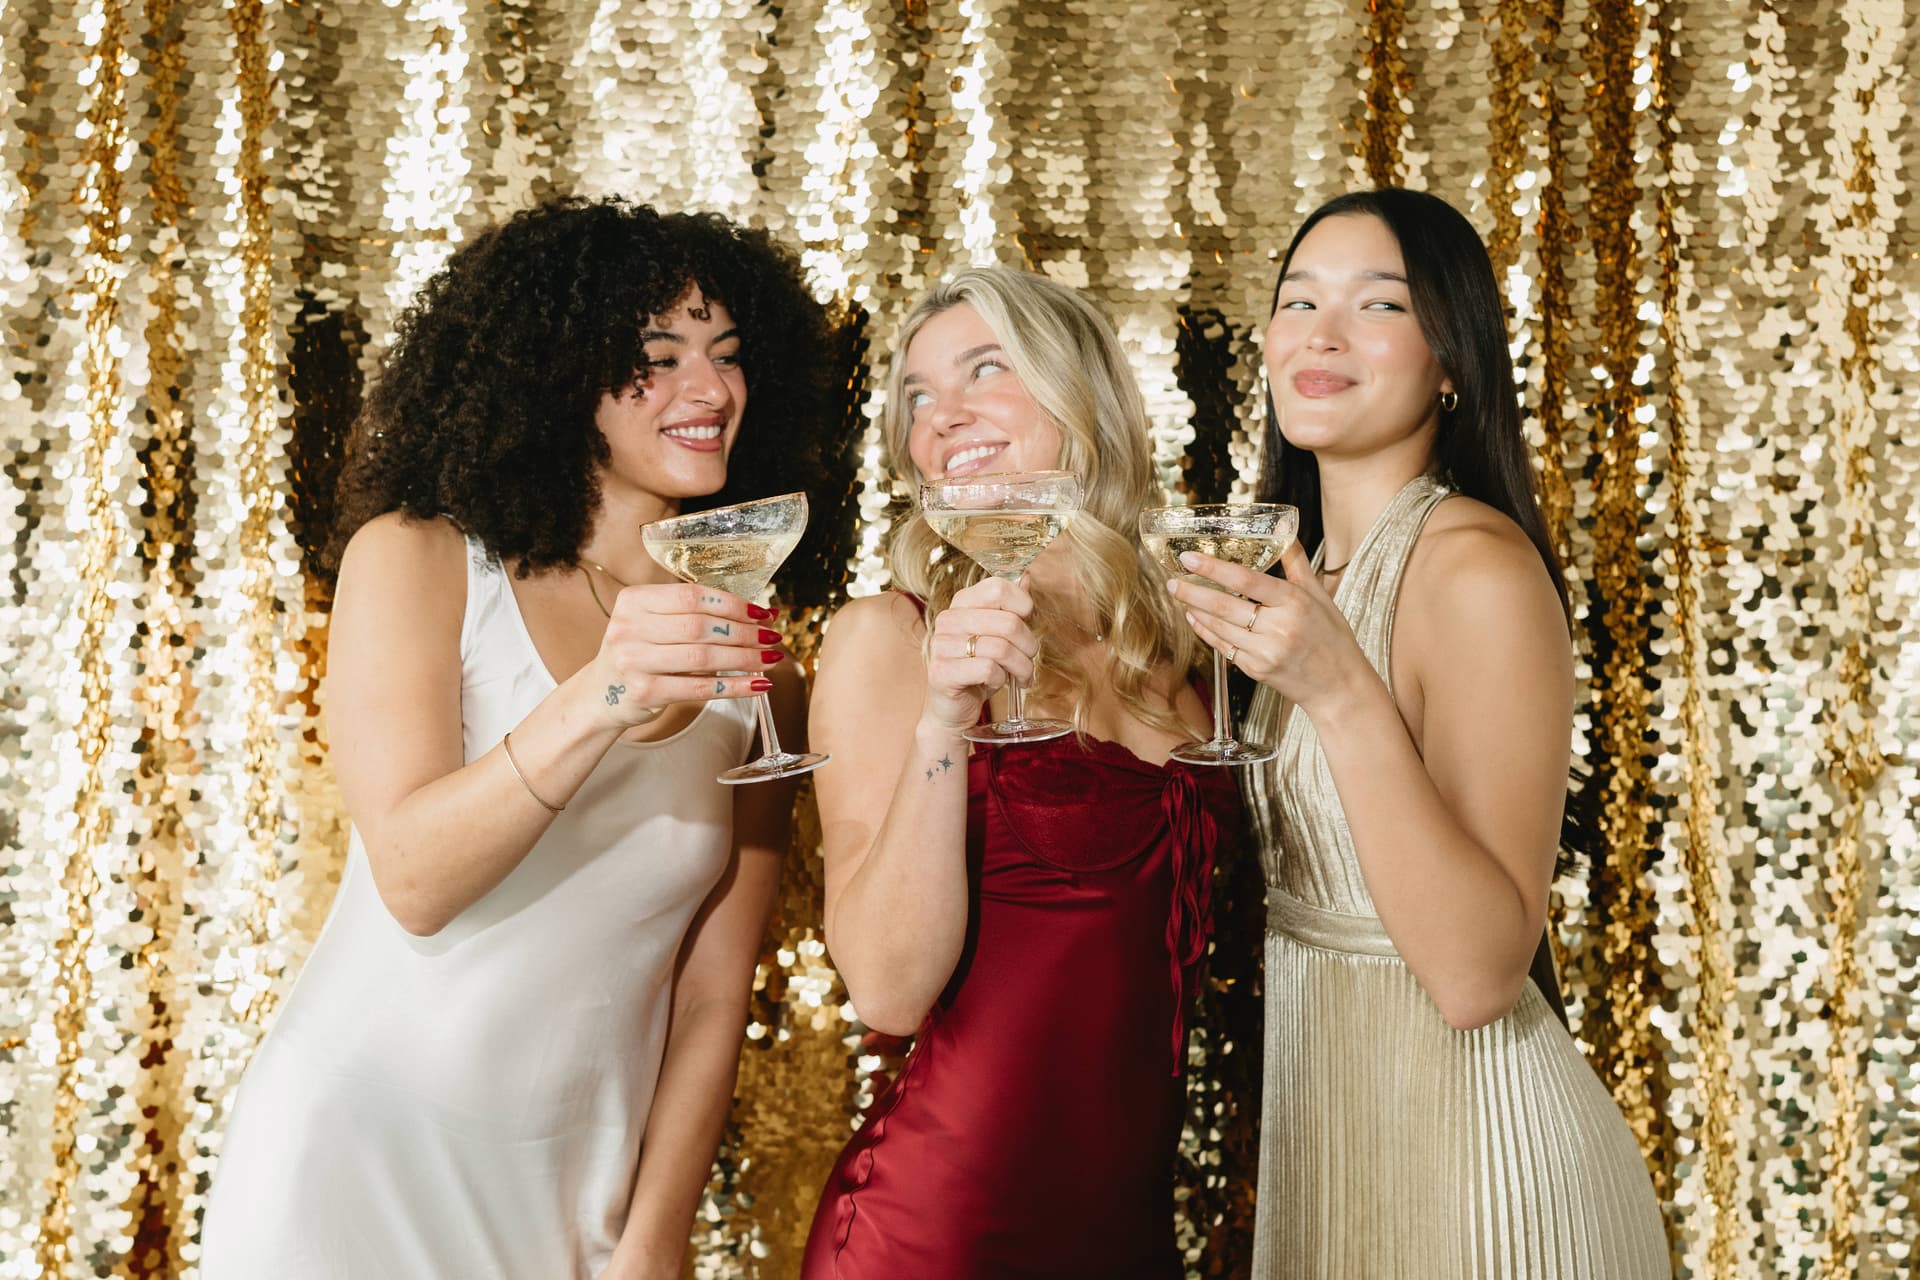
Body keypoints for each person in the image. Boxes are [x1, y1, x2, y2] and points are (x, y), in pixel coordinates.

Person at [199, 197, 830, 1280]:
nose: (710, 389)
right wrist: (604, 694)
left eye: (727, 355)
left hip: (575, 1200)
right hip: (354, 1158)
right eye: (659, 355)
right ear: (556, 369)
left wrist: (656, 1232)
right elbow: (414, 876)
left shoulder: (760, 662)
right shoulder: (422, 559)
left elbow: (715, 987)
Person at [1172, 188, 1670, 1277]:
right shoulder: (1294, 577)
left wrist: (1343, 693)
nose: (1322, 333)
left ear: (1452, 361)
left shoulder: (1476, 567)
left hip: (1486, 1171)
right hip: (1335, 1143)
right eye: (1298, 300)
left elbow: (1480, 972)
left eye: (1376, 305)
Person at [799, 267, 1242, 1279]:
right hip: (941, 1230)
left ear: (1081, 399)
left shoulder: (1182, 645)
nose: (943, 415)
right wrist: (945, 722)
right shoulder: (889, 639)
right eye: (916, 396)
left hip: (1130, 1236)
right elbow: (887, 986)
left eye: (984, 370)